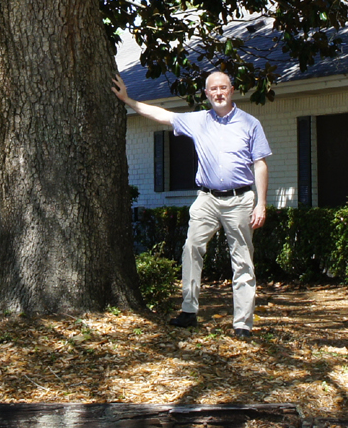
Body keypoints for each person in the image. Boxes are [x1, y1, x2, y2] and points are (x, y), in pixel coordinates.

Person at [112, 69, 269, 338]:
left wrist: (261, 203)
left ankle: (243, 324)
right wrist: (128, 101)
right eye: (213, 89)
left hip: (240, 199)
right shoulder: (198, 121)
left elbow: (260, 163)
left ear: (231, 90)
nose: (218, 93)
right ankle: (188, 311)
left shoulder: (250, 123)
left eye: (223, 87)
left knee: (242, 261)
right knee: (191, 249)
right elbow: (163, 115)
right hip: (206, 199)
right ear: (206, 94)